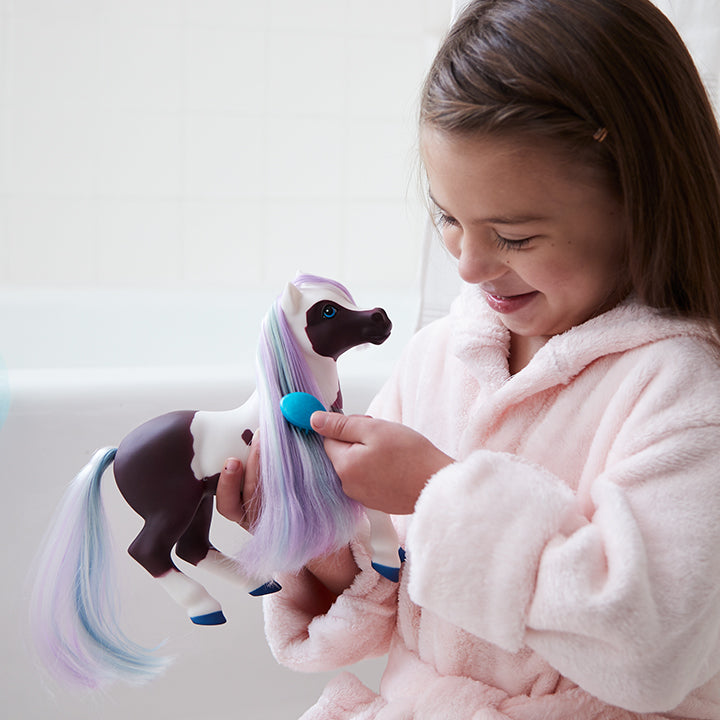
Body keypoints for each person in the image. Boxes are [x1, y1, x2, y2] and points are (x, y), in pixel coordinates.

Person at [216, 0, 720, 717]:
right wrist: (316, 530)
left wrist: (434, 490)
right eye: (448, 219)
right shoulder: (443, 356)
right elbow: (394, 584)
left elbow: (654, 647)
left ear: (641, 201)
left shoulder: (685, 392)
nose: (470, 267)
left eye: (513, 237)